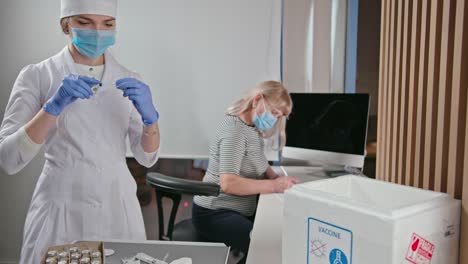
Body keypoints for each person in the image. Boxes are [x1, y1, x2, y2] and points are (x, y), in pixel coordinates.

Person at [0, 0, 160, 263]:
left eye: (107, 24)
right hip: (60, 205)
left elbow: (147, 157)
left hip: (116, 204)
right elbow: (8, 159)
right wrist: (52, 107)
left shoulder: (131, 79)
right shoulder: (38, 76)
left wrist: (151, 119)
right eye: (85, 22)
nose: (97, 32)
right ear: (66, 25)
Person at [192, 81, 298, 263]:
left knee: (277, 234)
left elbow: (260, 163)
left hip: (236, 210)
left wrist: (277, 178)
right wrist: (273, 186)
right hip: (214, 212)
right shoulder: (234, 131)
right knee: (265, 248)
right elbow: (228, 183)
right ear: (257, 100)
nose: (274, 119)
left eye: (278, 116)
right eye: (273, 112)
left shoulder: (251, 129)